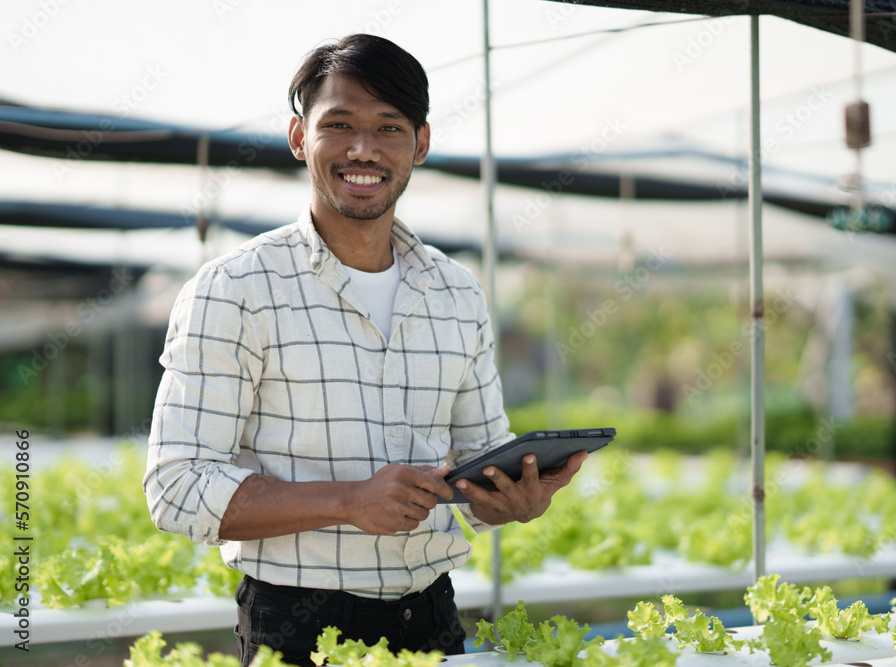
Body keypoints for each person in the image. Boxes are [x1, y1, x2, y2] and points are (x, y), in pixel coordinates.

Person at [143, 33, 588, 667]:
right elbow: (177, 488)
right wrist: (350, 500)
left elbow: (479, 454)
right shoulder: (235, 289)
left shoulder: (457, 293)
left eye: (389, 127)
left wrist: (516, 498)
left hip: (435, 616)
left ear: (421, 144)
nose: (363, 150)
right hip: (298, 630)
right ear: (300, 138)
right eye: (340, 124)